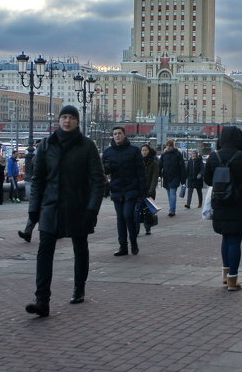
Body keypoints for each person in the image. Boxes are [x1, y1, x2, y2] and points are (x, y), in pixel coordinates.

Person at [24, 105, 105, 317]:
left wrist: (92, 209)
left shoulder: (87, 146)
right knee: (44, 252)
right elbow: (37, 180)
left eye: (71, 118)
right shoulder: (46, 145)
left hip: (78, 206)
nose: (67, 121)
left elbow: (98, 181)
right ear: (59, 120)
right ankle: (42, 300)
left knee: (80, 247)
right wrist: (34, 210)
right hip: (51, 207)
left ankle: (79, 287)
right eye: (64, 117)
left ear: (77, 121)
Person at [204, 125, 242, 291]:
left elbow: (208, 180)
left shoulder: (213, 156)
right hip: (237, 202)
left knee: (225, 238)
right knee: (235, 240)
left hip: (219, 201)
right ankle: (233, 280)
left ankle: (226, 276)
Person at [102, 126, 145, 256]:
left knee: (128, 215)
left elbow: (141, 172)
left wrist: (143, 191)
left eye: (119, 133)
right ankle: (123, 246)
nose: (117, 136)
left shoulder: (134, 151)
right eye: (115, 134)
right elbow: (104, 171)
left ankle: (133, 242)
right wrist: (106, 168)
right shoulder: (108, 152)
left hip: (131, 188)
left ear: (124, 135)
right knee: (120, 218)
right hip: (116, 189)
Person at [158, 139, 184, 217]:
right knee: (169, 194)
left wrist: (183, 180)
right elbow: (159, 165)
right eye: (167, 145)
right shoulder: (164, 155)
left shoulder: (178, 154)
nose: (168, 147)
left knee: (172, 193)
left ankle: (172, 210)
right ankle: (171, 208)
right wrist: (159, 174)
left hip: (175, 177)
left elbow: (182, 168)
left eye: (170, 145)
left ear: (173, 146)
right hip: (166, 177)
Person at [140, 144, 159, 235]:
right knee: (137, 210)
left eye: (146, 150)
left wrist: (151, 190)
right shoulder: (138, 162)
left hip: (149, 191)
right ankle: (136, 229)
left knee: (148, 211)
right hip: (138, 191)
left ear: (149, 151)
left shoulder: (154, 163)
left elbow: (155, 178)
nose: (144, 152)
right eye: (142, 150)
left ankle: (148, 228)